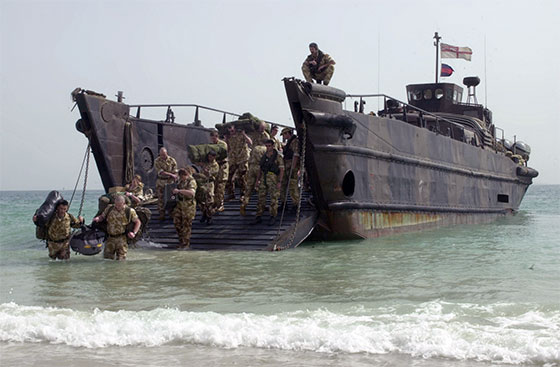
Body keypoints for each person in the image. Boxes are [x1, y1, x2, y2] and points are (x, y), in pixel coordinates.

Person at [93, 195, 141, 260]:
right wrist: (98, 218)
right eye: (116, 204)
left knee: (121, 260)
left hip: (122, 239)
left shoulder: (129, 211)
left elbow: (138, 222)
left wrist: (134, 233)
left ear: (124, 203)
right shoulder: (109, 208)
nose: (117, 207)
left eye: (119, 205)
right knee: (107, 259)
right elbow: (102, 217)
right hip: (110, 238)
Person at [240, 122, 270, 216]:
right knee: (262, 188)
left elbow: (249, 142)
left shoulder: (255, 147)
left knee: (249, 187)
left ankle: (244, 205)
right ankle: (261, 207)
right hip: (259, 167)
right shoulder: (264, 148)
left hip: (252, 166)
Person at [253, 139, 284, 225]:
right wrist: (257, 180)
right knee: (261, 197)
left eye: (269, 146)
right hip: (264, 177)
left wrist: (279, 182)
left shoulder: (278, 156)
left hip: (273, 178)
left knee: (274, 198)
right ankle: (258, 215)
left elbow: (281, 169)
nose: (267, 148)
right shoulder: (264, 156)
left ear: (273, 146)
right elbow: (260, 169)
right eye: (266, 146)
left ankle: (273, 216)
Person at [172, 167, 197, 249]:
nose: (181, 178)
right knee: (177, 222)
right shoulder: (181, 181)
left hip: (188, 205)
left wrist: (179, 191)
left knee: (186, 225)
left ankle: (185, 244)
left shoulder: (191, 181)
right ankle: (181, 241)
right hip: (179, 204)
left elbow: (191, 193)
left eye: (182, 176)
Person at [225, 125, 252, 201]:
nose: (231, 130)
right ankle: (231, 194)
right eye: (229, 128)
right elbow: (228, 149)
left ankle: (243, 194)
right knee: (229, 176)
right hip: (233, 159)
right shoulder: (229, 137)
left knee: (241, 177)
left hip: (242, 158)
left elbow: (250, 142)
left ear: (235, 128)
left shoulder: (241, 135)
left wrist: (244, 135)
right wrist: (226, 139)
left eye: (231, 128)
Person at [194, 151, 219, 224]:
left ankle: (209, 217)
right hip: (202, 183)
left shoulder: (215, 165)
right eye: (209, 156)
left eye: (211, 157)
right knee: (201, 200)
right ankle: (204, 214)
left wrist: (206, 171)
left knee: (209, 200)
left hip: (209, 183)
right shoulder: (205, 162)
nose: (209, 158)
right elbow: (197, 163)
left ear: (214, 157)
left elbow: (212, 174)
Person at [154, 147, 178, 220]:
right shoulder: (157, 161)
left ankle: (171, 213)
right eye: (161, 155)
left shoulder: (172, 160)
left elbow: (175, 171)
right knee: (161, 198)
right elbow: (160, 172)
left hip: (170, 182)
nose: (163, 156)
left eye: (164, 154)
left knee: (171, 198)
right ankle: (162, 214)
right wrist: (171, 174)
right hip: (161, 182)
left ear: (166, 153)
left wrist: (174, 177)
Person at [280, 127, 301, 211]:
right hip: (286, 165)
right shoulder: (289, 142)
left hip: (291, 166)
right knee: (283, 184)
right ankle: (283, 203)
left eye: (284, 134)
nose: (284, 137)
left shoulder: (295, 141)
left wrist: (293, 167)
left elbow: (296, 154)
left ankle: (296, 204)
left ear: (287, 133)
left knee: (292, 185)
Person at [210, 129, 228, 213]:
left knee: (221, 187)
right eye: (212, 138)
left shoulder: (222, 144)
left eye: (214, 138)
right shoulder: (210, 145)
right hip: (215, 168)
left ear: (217, 137)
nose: (213, 140)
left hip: (222, 167)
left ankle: (220, 205)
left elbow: (223, 154)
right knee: (215, 187)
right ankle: (215, 204)